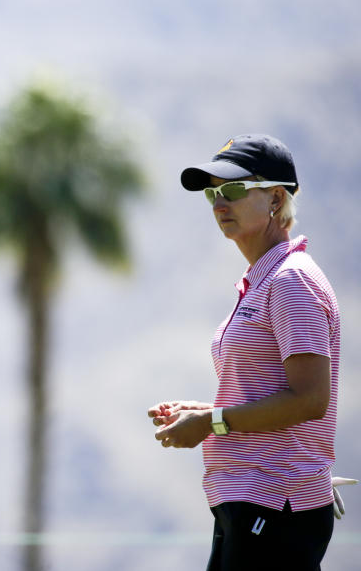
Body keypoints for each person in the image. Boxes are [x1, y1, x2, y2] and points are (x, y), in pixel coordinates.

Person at [148, 134, 345, 570]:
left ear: (277, 199)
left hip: (278, 502)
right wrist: (203, 412)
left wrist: (212, 421)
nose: (220, 203)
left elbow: (311, 400)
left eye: (234, 190)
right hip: (252, 501)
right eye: (213, 193)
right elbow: (273, 393)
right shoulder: (263, 279)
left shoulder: (292, 282)